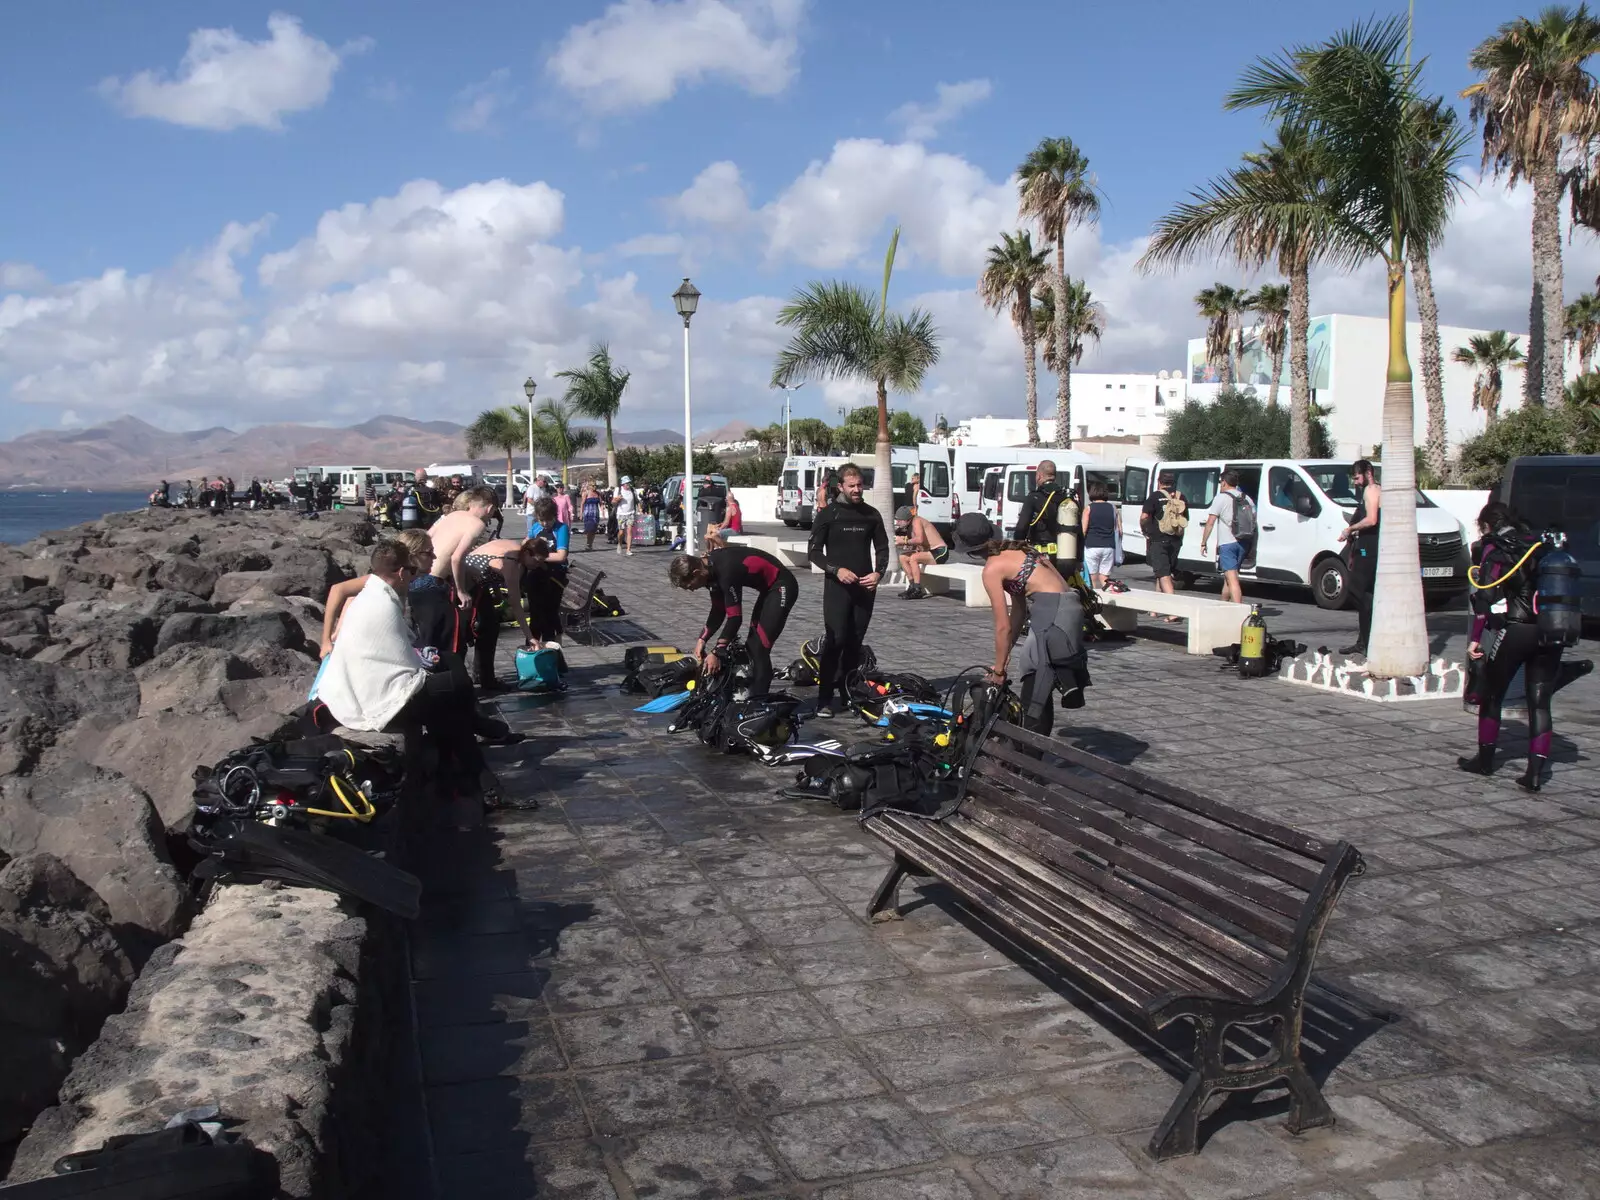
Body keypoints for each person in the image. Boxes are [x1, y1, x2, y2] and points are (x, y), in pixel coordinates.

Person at [315, 540, 501, 807]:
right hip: (374, 701)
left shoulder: (371, 589)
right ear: (401, 573)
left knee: (451, 696)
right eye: (412, 571)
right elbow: (407, 668)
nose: (415, 577)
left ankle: (476, 782)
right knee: (456, 689)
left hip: (360, 687)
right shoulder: (384, 605)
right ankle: (479, 773)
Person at [1459, 502, 1578, 792]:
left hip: (1517, 630)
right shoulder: (1538, 545)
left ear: (1487, 525)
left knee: (1492, 695)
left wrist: (1476, 638)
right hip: (1550, 631)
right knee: (1539, 702)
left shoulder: (1497, 547)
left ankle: (1485, 762)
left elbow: (1484, 601)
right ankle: (1535, 775)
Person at [956, 513, 1089, 727]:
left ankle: (1030, 750)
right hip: (1069, 607)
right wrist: (1004, 656)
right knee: (1032, 669)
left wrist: (999, 671)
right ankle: (1065, 676)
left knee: (1035, 689)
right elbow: (1018, 611)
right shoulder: (1017, 549)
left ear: (969, 549)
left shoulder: (992, 569)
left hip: (1051, 613)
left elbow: (1002, 626)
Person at [807, 464, 888, 718]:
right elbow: (814, 552)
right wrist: (836, 569)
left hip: (865, 588)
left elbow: (884, 549)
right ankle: (824, 699)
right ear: (840, 486)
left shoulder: (871, 514)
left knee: (855, 642)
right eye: (851, 486)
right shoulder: (829, 515)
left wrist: (878, 573)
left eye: (859, 485)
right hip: (837, 588)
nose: (856, 490)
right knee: (836, 640)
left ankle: (848, 693)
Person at [670, 545, 797, 697]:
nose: (690, 590)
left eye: (689, 586)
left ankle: (759, 698)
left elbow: (735, 618)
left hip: (782, 586)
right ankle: (755, 692)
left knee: (759, 647)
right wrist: (702, 639)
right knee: (752, 646)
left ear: (697, 573)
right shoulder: (710, 572)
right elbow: (718, 611)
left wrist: (717, 652)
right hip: (767, 589)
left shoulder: (726, 570)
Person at [460, 536, 552, 689]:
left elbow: (491, 568)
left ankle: (482, 676)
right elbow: (516, 605)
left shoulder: (516, 550)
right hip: (464, 586)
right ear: (528, 553)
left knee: (490, 626)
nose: (537, 565)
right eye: (536, 561)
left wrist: (497, 593)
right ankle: (477, 680)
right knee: (476, 630)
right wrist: (531, 638)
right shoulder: (511, 562)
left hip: (476, 584)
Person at [1336, 458, 1381, 657]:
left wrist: (1350, 529)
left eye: (1357, 477)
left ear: (1368, 473)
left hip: (1369, 548)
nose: (1355, 482)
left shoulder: (1371, 490)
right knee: (1366, 594)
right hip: (1369, 546)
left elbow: (1371, 519)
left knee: (1357, 591)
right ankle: (1364, 640)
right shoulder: (1375, 490)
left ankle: (1366, 641)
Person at [428, 486, 497, 606]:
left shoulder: (451, 515)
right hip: (436, 582)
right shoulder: (478, 524)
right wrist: (461, 591)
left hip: (420, 575)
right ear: (490, 509)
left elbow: (427, 536)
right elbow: (456, 558)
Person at [1200, 471, 1253, 605]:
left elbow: (1210, 522)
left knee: (1232, 578)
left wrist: (1203, 542)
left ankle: (1238, 611)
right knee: (1228, 578)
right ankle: (1223, 605)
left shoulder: (1221, 498)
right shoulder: (1246, 498)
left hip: (1227, 543)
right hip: (1243, 542)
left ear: (1223, 482)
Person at [1140, 470, 1188, 619]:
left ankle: (1173, 612)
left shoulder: (1155, 496)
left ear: (1159, 482)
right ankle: (1154, 609)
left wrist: (1144, 528)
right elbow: (1185, 519)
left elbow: (1144, 517)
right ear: (1173, 483)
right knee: (1161, 573)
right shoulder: (1181, 496)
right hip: (1175, 541)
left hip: (1158, 539)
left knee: (1164, 574)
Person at [524, 497, 570, 644]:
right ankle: (533, 643)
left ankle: (550, 642)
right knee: (535, 612)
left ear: (554, 516)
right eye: (541, 520)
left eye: (548, 520)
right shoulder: (536, 527)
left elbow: (561, 555)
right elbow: (526, 543)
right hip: (537, 574)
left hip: (554, 576)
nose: (545, 524)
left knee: (547, 613)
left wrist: (539, 557)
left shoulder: (561, 528)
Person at [894, 505, 948, 600]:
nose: (897, 523)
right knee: (903, 557)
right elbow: (916, 544)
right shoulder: (909, 526)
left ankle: (918, 589)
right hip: (928, 552)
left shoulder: (917, 521)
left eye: (899, 520)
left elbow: (919, 539)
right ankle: (911, 586)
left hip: (940, 552)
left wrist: (905, 541)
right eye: (896, 520)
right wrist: (903, 544)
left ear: (907, 519)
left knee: (914, 558)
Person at [1080, 480, 1122, 590]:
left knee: (1092, 578)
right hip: (1109, 547)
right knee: (1104, 577)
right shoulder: (1113, 508)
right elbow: (1120, 530)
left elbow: (1083, 530)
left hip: (1092, 546)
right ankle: (1108, 597)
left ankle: (1095, 601)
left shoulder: (1089, 508)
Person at [615, 476, 637, 556]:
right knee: (621, 532)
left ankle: (628, 549)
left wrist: (640, 509)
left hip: (630, 513)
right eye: (627, 483)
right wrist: (617, 499)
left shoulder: (632, 490)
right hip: (621, 514)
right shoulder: (618, 490)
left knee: (629, 530)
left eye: (629, 483)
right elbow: (613, 502)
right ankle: (620, 544)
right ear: (623, 484)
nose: (628, 484)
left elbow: (636, 501)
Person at [580, 481, 603, 551]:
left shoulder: (598, 494)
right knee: (589, 530)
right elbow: (582, 504)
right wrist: (581, 513)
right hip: (588, 514)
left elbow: (601, 503)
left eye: (595, 486)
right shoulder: (586, 493)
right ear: (589, 486)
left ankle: (590, 545)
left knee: (594, 530)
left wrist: (603, 510)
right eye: (593, 486)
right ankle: (588, 543)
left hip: (595, 514)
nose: (594, 487)